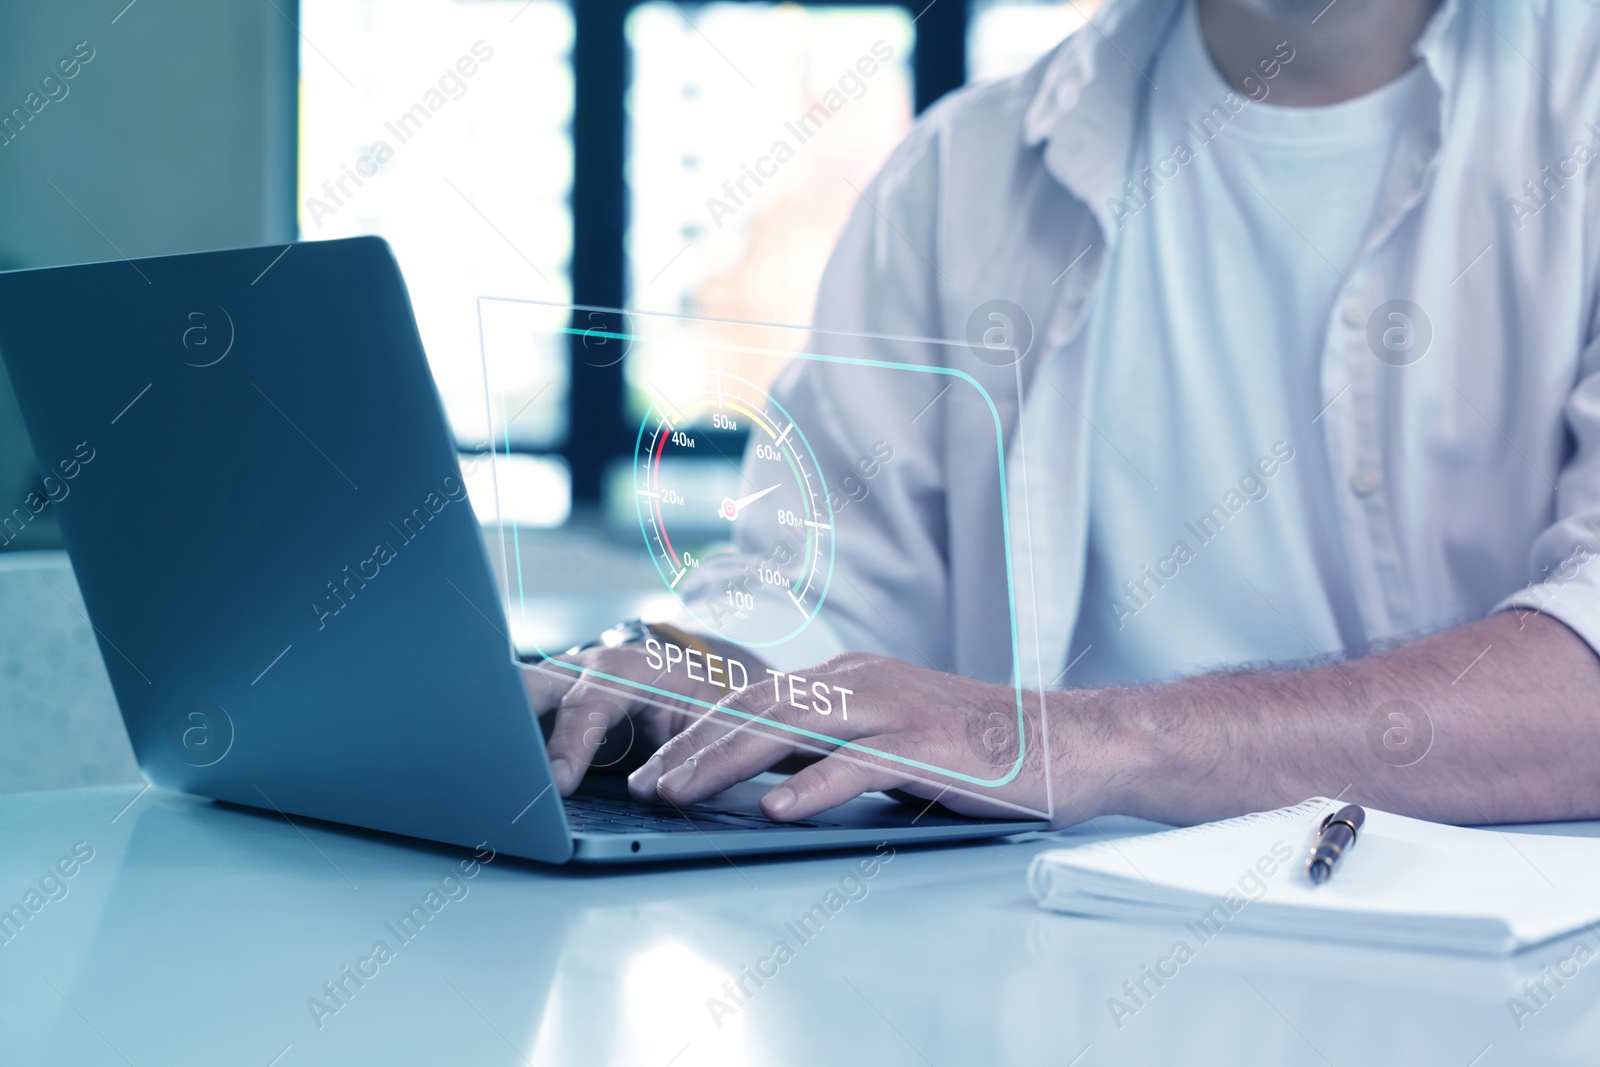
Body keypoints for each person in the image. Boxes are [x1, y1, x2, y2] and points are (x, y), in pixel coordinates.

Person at [528, 0, 1600, 830]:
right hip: (1038, 958)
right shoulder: (960, 172)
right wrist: (702, 665)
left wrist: (1077, 739)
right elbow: (820, 591)